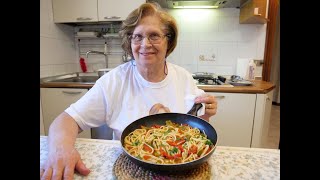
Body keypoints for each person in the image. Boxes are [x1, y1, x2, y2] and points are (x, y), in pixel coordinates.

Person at [40, 2, 217, 180]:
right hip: (132, 165)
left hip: (179, 165)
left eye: (154, 36)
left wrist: (205, 113)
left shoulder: (183, 77)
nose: (145, 44)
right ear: (129, 42)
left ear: (168, 41)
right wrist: (61, 150)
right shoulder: (114, 81)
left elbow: (194, 125)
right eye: (137, 37)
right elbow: (65, 120)